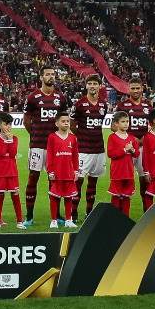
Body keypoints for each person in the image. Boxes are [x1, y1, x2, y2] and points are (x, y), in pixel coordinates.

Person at [19, 67, 66, 227]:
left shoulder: (60, 97)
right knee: (33, 178)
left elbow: (64, 120)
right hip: (38, 145)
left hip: (55, 147)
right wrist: (35, 134)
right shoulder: (33, 97)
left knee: (55, 179)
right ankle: (29, 216)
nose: (50, 76)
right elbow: (26, 120)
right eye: (47, 74)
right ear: (41, 77)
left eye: (53, 74)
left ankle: (56, 214)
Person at [71, 75, 107, 221]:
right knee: (78, 181)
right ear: (86, 86)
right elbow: (72, 124)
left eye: (95, 84)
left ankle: (89, 213)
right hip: (83, 150)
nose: (92, 86)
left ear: (100, 86)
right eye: (90, 83)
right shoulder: (79, 104)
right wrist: (82, 135)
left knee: (93, 182)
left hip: (98, 149)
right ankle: (73, 214)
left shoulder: (103, 104)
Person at [114, 76, 151, 199]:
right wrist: (130, 138)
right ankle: (122, 205)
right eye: (133, 88)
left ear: (142, 89)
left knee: (144, 178)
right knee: (125, 177)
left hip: (144, 148)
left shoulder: (148, 106)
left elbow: (154, 125)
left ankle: (146, 207)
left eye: (138, 88)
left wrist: (146, 136)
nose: (135, 91)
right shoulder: (122, 106)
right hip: (127, 148)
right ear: (128, 89)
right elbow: (113, 127)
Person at [44, 111, 80, 229]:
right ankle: (53, 220)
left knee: (69, 197)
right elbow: (49, 155)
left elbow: (75, 156)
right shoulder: (52, 137)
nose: (66, 123)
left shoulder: (73, 138)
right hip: (57, 172)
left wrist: (76, 171)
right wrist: (50, 171)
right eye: (63, 121)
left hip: (69, 172)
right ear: (57, 123)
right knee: (54, 196)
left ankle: (68, 220)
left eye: (67, 121)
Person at [0, 112, 24, 228]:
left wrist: (10, 140)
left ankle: (20, 222)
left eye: (10, 124)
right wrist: (8, 141)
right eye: (5, 124)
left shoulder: (15, 138)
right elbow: (1, 152)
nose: (8, 127)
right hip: (0, 172)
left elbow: (13, 153)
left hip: (12, 172)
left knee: (15, 195)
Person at [105, 110, 139, 218]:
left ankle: (125, 219)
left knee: (126, 197)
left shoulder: (132, 138)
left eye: (127, 121)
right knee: (116, 197)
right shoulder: (112, 137)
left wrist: (132, 150)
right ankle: (115, 218)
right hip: (117, 172)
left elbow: (137, 154)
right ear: (116, 123)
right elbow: (111, 154)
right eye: (123, 121)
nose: (126, 124)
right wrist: (124, 150)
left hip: (129, 172)